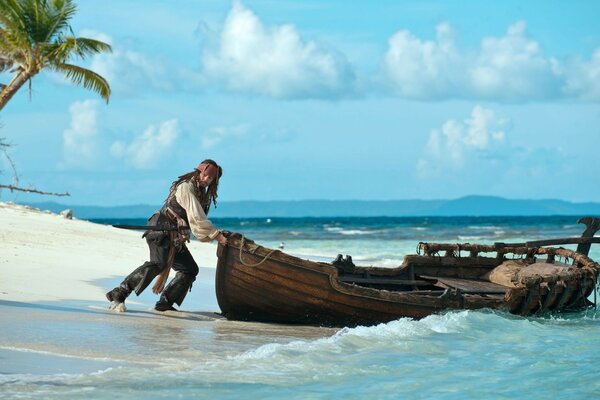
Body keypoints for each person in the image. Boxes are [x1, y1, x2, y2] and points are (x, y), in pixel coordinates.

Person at [106, 159, 228, 312]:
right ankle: (119, 293)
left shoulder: (201, 194)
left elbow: (195, 220)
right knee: (158, 264)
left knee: (189, 269)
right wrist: (216, 235)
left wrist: (216, 234)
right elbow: (197, 218)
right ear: (199, 172)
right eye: (205, 176)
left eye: (210, 179)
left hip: (174, 237)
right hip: (161, 230)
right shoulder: (186, 187)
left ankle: (165, 303)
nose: (206, 180)